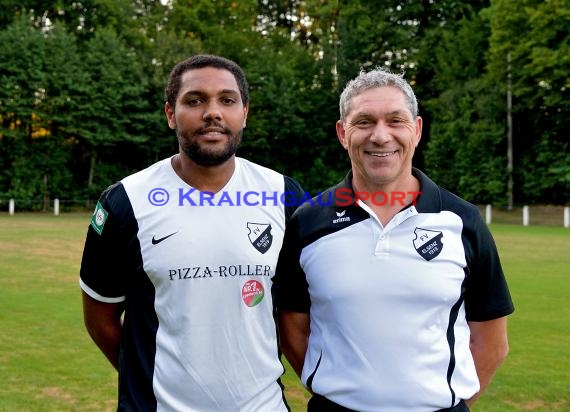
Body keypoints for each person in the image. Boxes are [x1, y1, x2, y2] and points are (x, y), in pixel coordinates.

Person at [274, 67, 515, 412]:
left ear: (416, 130)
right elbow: (293, 328)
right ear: (343, 133)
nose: (380, 136)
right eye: (364, 122)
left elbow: (492, 340)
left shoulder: (461, 221)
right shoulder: (309, 222)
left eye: (395, 121)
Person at [79, 54, 304, 411]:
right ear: (171, 114)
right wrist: (144, 382)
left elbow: (296, 314)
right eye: (195, 100)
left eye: (227, 100)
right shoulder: (125, 201)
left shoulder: (283, 194)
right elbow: (100, 317)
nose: (212, 112)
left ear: (244, 113)